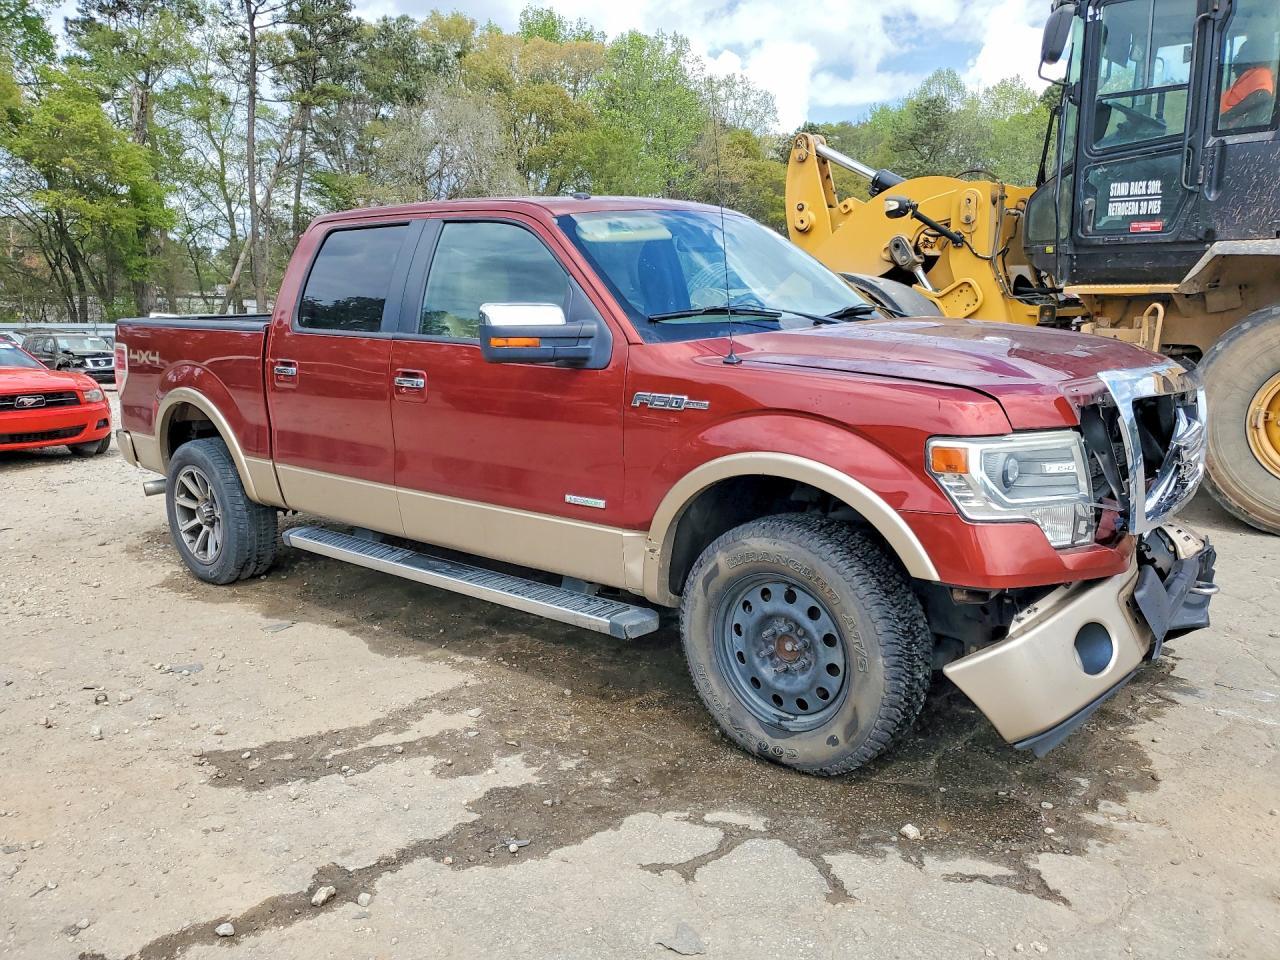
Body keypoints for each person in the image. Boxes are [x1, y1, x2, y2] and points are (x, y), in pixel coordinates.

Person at [1220, 39, 1277, 124]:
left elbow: (1263, 94)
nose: (1235, 61)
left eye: (1240, 56)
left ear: (1252, 58)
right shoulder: (1247, 77)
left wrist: (1226, 117)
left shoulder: (1261, 74)